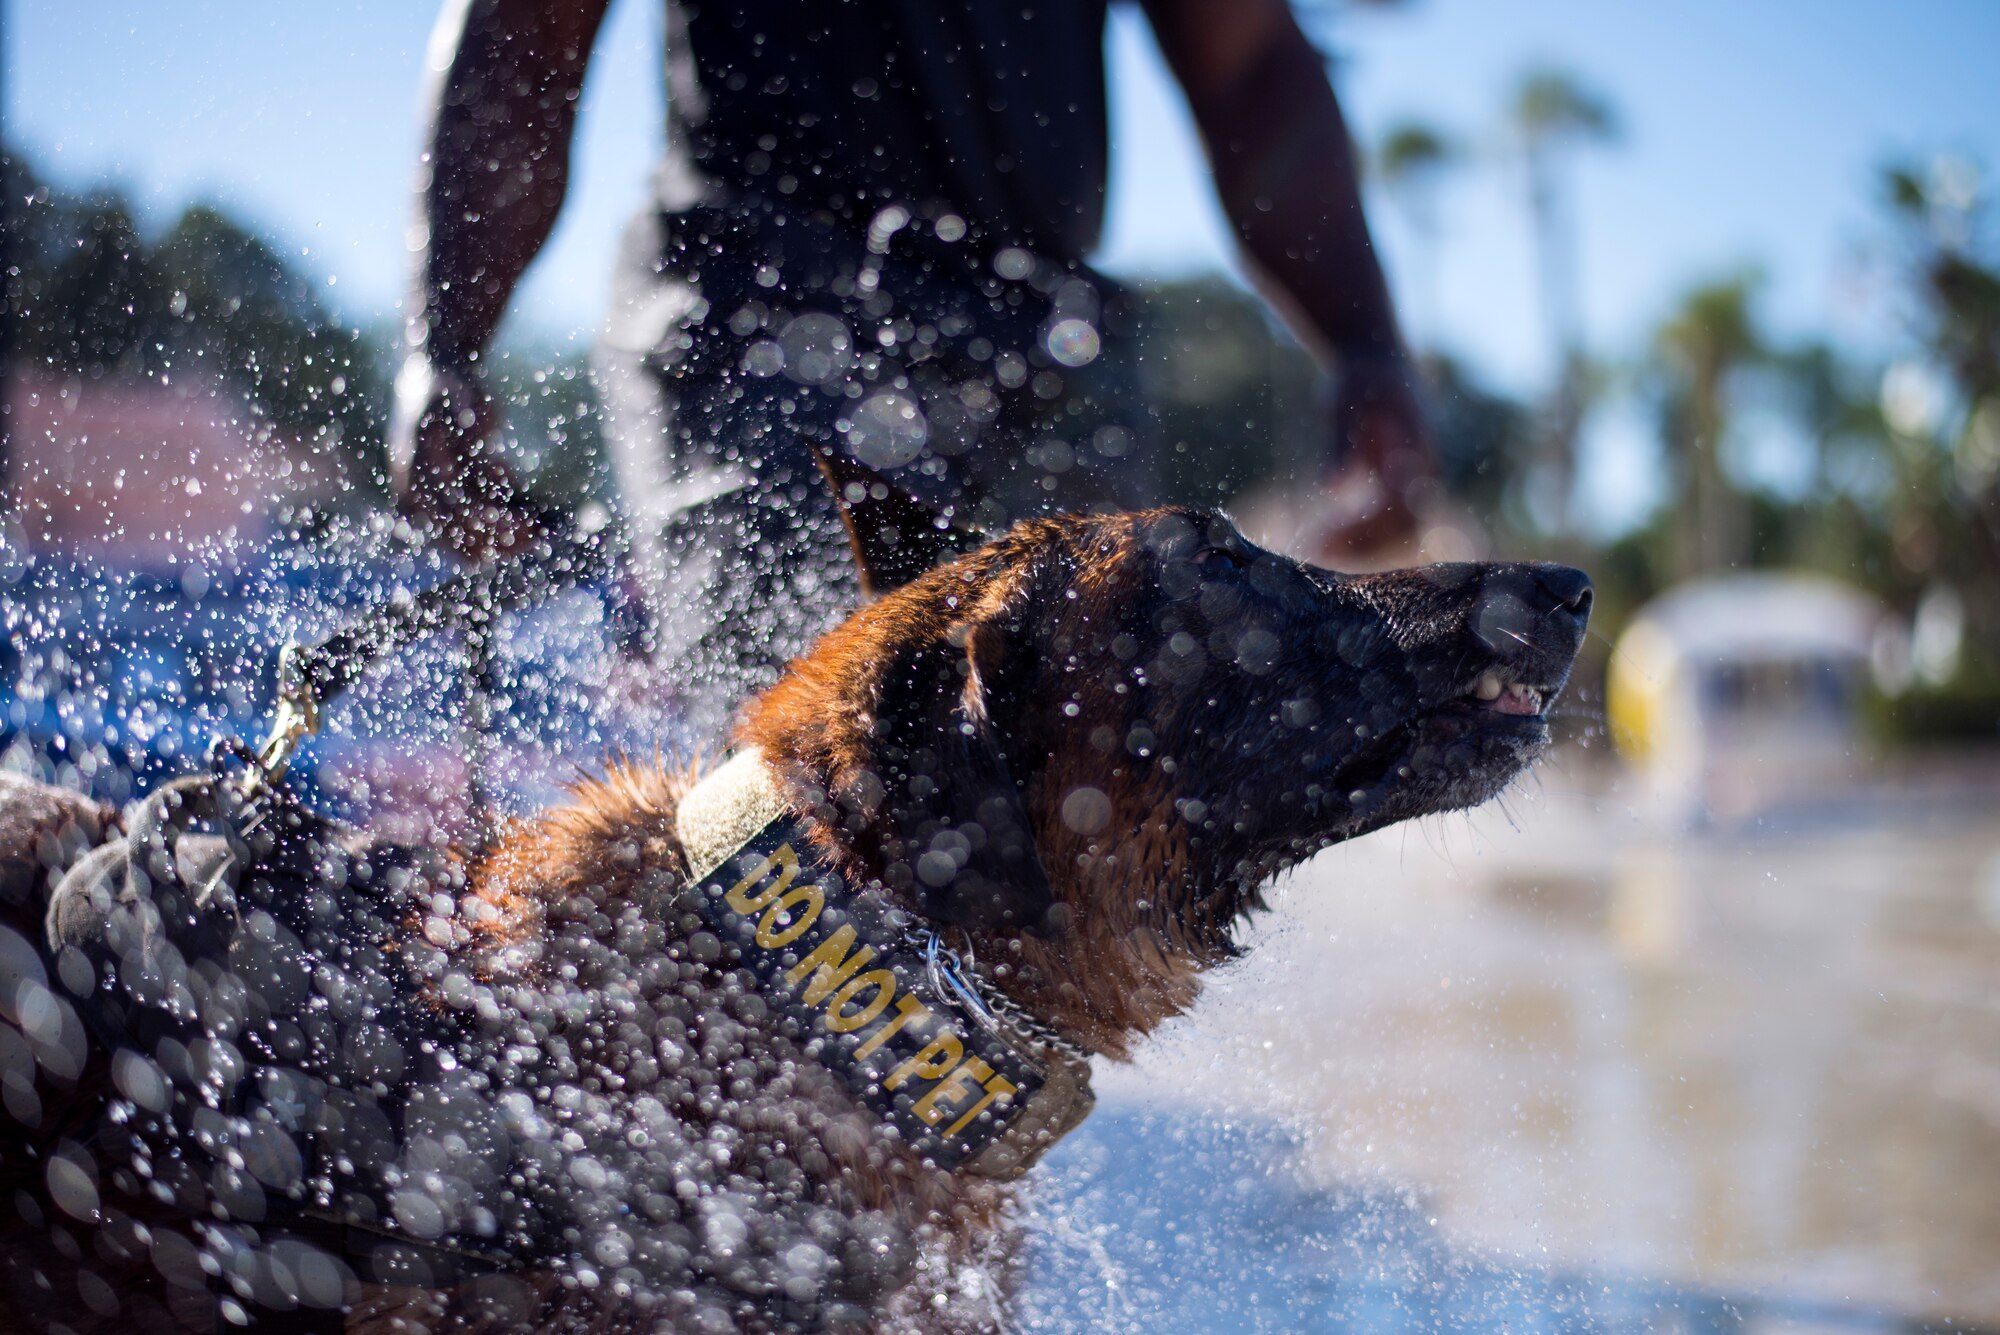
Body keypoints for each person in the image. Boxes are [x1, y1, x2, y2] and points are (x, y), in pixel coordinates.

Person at [391, 0, 1435, 739]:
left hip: (1046, 351)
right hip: (753, 309)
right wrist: (444, 346)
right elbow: (524, 37)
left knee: (1072, 792)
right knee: (807, 769)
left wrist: (1366, 349)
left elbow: (1246, 64)